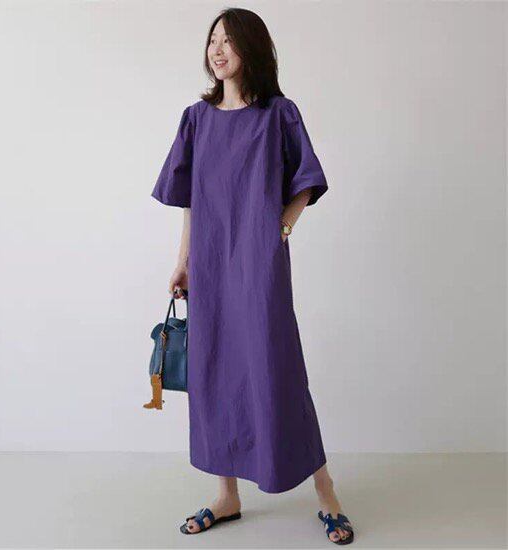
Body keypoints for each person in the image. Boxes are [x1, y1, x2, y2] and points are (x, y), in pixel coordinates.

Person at [150, 7, 354, 545]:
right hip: (210, 263)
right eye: (212, 40)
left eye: (228, 40)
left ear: (252, 48)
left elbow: (305, 179)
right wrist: (184, 260)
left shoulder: (278, 114)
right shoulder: (196, 119)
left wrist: (280, 229)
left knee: (276, 370)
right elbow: (190, 198)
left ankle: (327, 493)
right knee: (214, 371)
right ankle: (227, 496)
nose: (217, 50)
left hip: (259, 263)